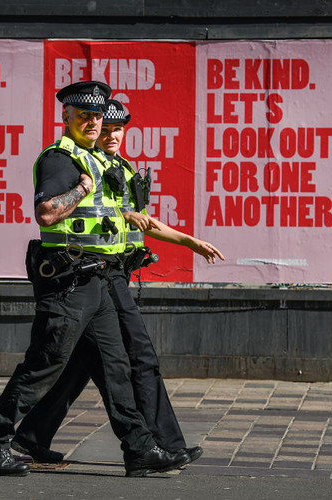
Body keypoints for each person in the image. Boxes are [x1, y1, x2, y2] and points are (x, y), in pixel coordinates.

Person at [0, 82, 187, 477]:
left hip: (98, 278)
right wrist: (81, 188)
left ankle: (139, 450)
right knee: (45, 364)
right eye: (83, 115)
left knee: (115, 365)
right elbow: (46, 213)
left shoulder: (96, 158)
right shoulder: (60, 159)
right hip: (68, 280)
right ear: (65, 116)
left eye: (97, 116)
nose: (91, 122)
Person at [12, 99, 224, 467]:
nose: (109, 135)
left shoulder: (119, 166)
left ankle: (32, 435)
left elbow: (140, 219)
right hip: (96, 274)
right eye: (102, 128)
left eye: (115, 129)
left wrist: (189, 241)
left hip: (111, 273)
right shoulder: (74, 160)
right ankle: (159, 444)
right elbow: (62, 211)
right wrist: (121, 213)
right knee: (136, 359)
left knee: (81, 365)